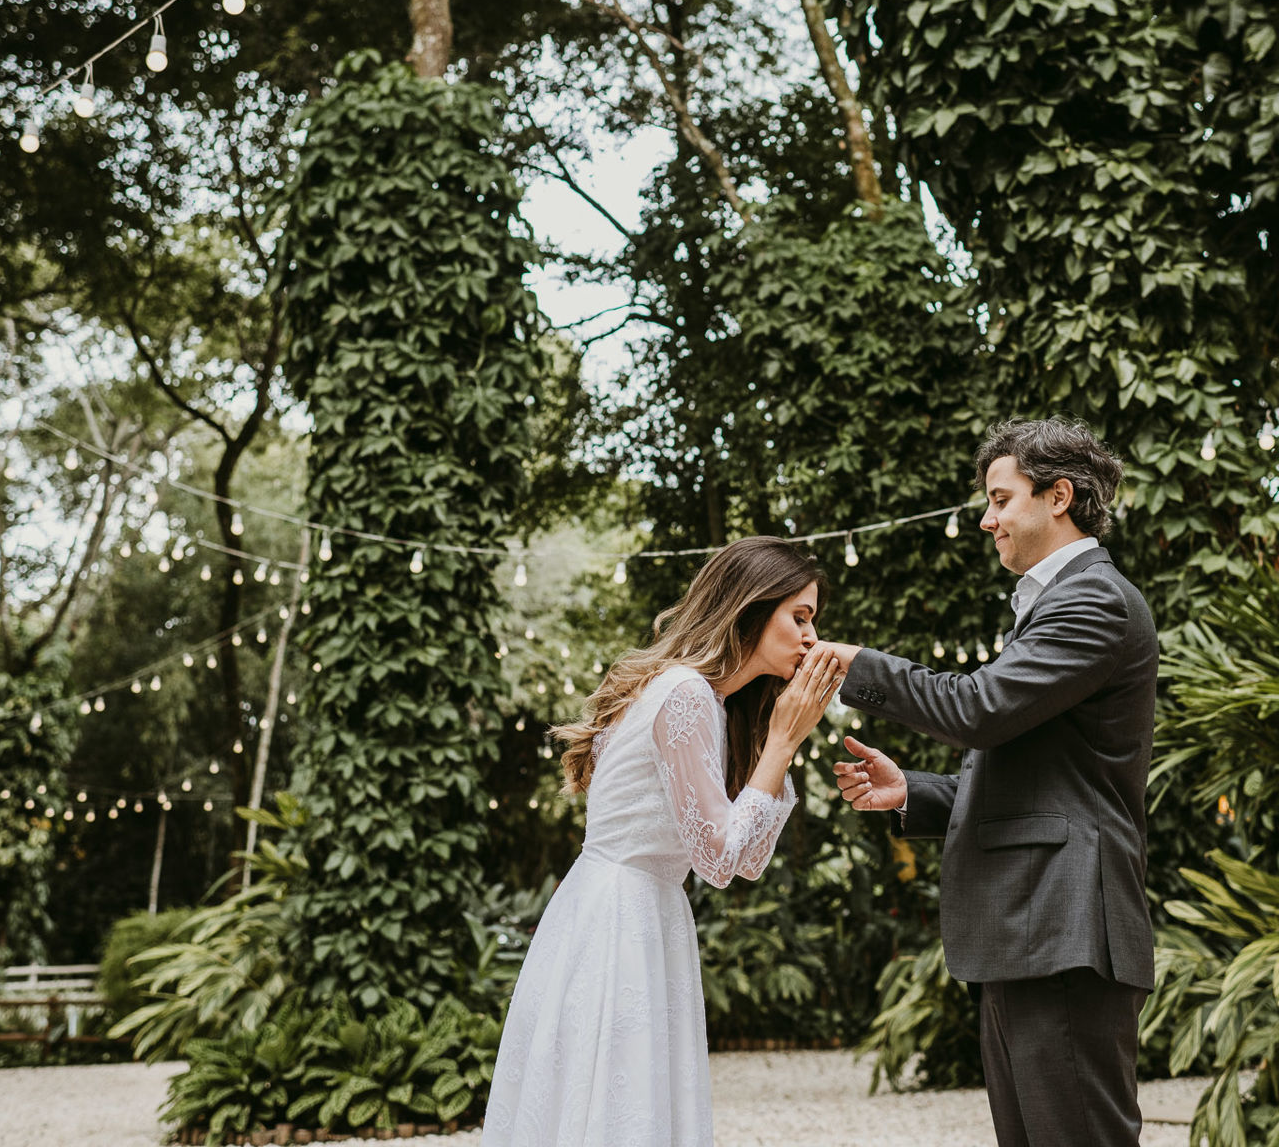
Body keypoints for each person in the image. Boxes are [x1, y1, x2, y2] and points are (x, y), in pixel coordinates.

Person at [824, 417, 1158, 1147]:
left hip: (1067, 928)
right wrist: (912, 791)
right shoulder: (1054, 604)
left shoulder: (1092, 600)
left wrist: (851, 664)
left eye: (1001, 499)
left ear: (1059, 496)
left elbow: (979, 710)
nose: (987, 518)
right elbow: (1049, 784)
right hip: (1038, 930)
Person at [483, 536, 845, 1147]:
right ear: (750, 607)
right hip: (620, 917)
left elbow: (745, 859)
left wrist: (781, 741)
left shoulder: (707, 698)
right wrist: (783, 741)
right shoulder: (685, 693)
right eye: (800, 617)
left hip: (639, 909)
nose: (812, 637)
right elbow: (718, 862)